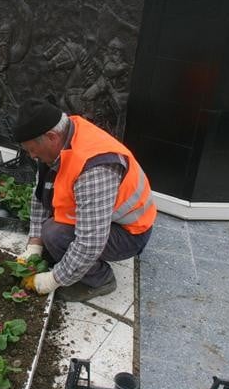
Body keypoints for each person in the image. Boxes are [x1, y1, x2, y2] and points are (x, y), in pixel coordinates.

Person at [14, 98, 156, 302]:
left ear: (51, 137)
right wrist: (34, 244)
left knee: (54, 234)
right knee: (47, 235)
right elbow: (41, 193)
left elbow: (90, 242)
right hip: (107, 219)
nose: (31, 155)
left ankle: (101, 280)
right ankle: (68, 260)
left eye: (31, 149)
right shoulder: (60, 138)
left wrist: (54, 279)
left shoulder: (94, 169)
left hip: (130, 233)